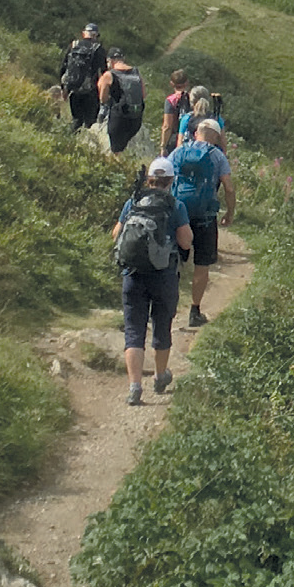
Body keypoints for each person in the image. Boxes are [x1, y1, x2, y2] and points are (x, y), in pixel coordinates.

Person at [111, 158, 193, 405]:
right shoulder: (175, 206)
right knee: (161, 326)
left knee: (134, 330)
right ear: (171, 181)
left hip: (133, 274)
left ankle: (135, 387)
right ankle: (159, 376)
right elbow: (186, 241)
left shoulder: (133, 202)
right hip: (163, 275)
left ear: (149, 180)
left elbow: (116, 234)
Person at [169, 115, 236, 327]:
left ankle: (168, 306)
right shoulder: (217, 156)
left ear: (196, 132)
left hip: (179, 214)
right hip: (205, 216)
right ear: (216, 137)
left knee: (174, 261)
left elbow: (165, 175)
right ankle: (194, 311)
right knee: (202, 264)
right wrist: (230, 212)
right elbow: (229, 188)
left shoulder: (180, 151)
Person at [96, 48, 147, 154]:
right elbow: (143, 95)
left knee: (116, 151)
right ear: (123, 59)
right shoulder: (136, 72)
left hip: (119, 118)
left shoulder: (110, 75)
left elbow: (103, 98)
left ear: (110, 60)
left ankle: (116, 169)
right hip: (136, 119)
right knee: (126, 150)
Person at [60, 22, 105, 130]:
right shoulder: (98, 49)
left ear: (83, 33)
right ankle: (89, 145)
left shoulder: (73, 46)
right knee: (91, 122)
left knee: (76, 121)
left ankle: (70, 143)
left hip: (74, 90)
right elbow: (104, 72)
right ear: (95, 35)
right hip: (91, 91)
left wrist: (64, 89)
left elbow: (63, 68)